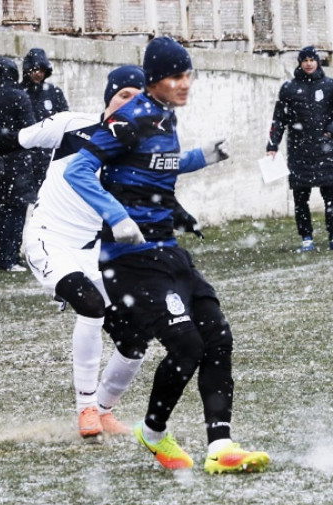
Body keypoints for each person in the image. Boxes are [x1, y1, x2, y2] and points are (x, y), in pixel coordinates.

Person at [0, 66, 157, 439]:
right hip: (48, 240)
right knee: (91, 306)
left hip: (91, 252)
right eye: (124, 95)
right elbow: (7, 141)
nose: (131, 104)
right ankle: (86, 408)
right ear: (108, 97)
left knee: (135, 338)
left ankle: (105, 410)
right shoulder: (71, 125)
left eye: (139, 99)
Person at [64, 37, 270, 473]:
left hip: (169, 253)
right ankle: (154, 433)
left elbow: (156, 165)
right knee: (187, 346)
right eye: (176, 76)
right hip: (129, 260)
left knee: (218, 340)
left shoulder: (164, 118)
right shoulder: (131, 117)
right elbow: (77, 169)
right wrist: (116, 216)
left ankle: (221, 446)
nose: (185, 83)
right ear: (155, 80)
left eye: (188, 74)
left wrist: (202, 157)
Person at [266, 46, 333, 252]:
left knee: (330, 194)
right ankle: (306, 237)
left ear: (318, 62)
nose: (309, 63)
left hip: (325, 150)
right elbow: (279, 119)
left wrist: (329, 132)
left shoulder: (329, 86)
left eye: (312, 60)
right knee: (300, 197)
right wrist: (272, 145)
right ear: (300, 63)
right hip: (298, 151)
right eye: (305, 60)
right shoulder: (289, 88)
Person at [0, 56, 37, 272]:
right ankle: (10, 255)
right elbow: (30, 128)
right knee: (16, 211)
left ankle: (2, 255)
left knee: (1, 211)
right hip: (17, 160)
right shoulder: (19, 97)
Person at [21, 48, 69, 202]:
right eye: (35, 70)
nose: (38, 74)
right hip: (24, 156)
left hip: (47, 155)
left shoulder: (53, 93)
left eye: (42, 71)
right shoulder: (19, 92)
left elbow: (65, 120)